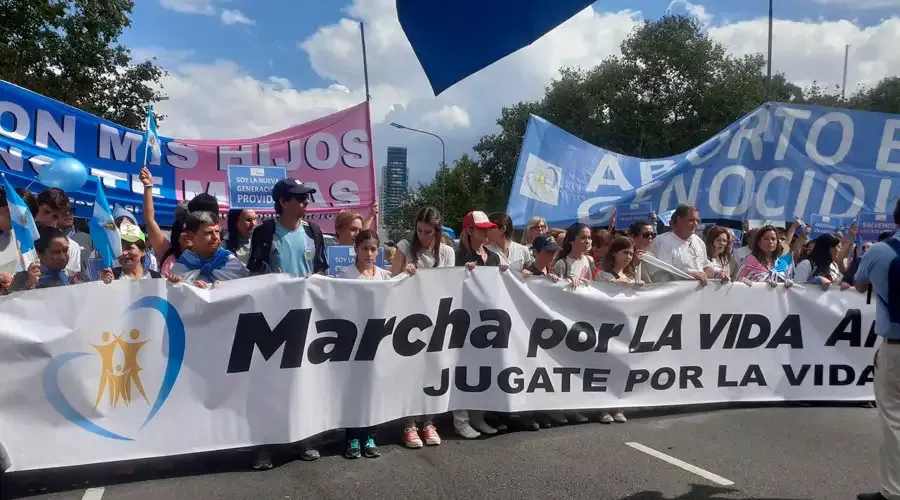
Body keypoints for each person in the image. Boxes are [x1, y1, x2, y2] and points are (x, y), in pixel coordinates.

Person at [854, 199, 900, 500]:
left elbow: (858, 284)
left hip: (896, 348)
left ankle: (894, 491)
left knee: (894, 418)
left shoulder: (881, 251)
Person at [453, 211, 508, 438]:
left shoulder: (493, 257)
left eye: (488, 228)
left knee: (483, 368)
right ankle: (461, 419)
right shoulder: (458, 256)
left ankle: (478, 416)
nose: (487, 232)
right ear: (469, 230)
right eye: (482, 228)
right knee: (462, 369)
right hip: (463, 322)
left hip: (487, 322)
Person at [335, 229, 389, 458]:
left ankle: (370, 436)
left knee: (373, 390)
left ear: (378, 251)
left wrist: (410, 274)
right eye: (364, 248)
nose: (369, 253)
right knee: (353, 390)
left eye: (373, 249)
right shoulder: (344, 275)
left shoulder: (385, 276)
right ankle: (353, 437)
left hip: (377, 342)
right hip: (352, 342)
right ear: (355, 249)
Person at [247, 178, 328, 277]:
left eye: (307, 196)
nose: (307, 201)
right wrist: (269, 278)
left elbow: (322, 270)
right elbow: (253, 273)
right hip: (275, 292)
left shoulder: (313, 231)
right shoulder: (263, 232)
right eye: (301, 197)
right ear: (284, 202)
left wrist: (315, 277)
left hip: (307, 293)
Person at [650, 204, 726, 285]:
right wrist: (689, 275)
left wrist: (717, 275)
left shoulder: (699, 241)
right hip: (675, 294)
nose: (696, 223)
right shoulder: (662, 241)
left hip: (699, 294)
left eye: (697, 220)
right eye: (691, 220)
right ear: (679, 219)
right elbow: (662, 274)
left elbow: (705, 268)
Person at [167, 212, 248, 287]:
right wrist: (185, 286)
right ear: (191, 236)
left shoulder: (231, 262)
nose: (215, 237)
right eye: (208, 233)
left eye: (217, 231)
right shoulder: (181, 266)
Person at [139, 167, 189, 276]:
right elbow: (149, 219)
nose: (187, 234)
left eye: (192, 230)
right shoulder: (166, 251)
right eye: (182, 230)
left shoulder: (208, 257)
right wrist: (148, 186)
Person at [7, 225, 88, 292]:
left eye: (65, 250)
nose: (63, 257)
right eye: (56, 252)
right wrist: (29, 284)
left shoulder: (74, 278)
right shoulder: (24, 278)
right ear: (40, 253)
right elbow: (11, 305)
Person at [391, 206, 455, 276]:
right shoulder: (404, 247)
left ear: (436, 231)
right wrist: (404, 273)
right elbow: (393, 281)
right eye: (419, 230)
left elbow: (448, 282)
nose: (422, 236)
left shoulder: (448, 252)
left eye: (427, 232)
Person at [34, 188, 83, 277]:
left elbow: (72, 280)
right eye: (46, 212)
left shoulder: (71, 247)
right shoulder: (17, 239)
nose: (48, 219)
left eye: (55, 216)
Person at [553, 223, 594, 288]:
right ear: (572, 241)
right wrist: (568, 281)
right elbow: (554, 289)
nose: (587, 241)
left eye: (589, 238)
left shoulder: (589, 260)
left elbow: (594, 285)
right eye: (583, 238)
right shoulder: (561, 264)